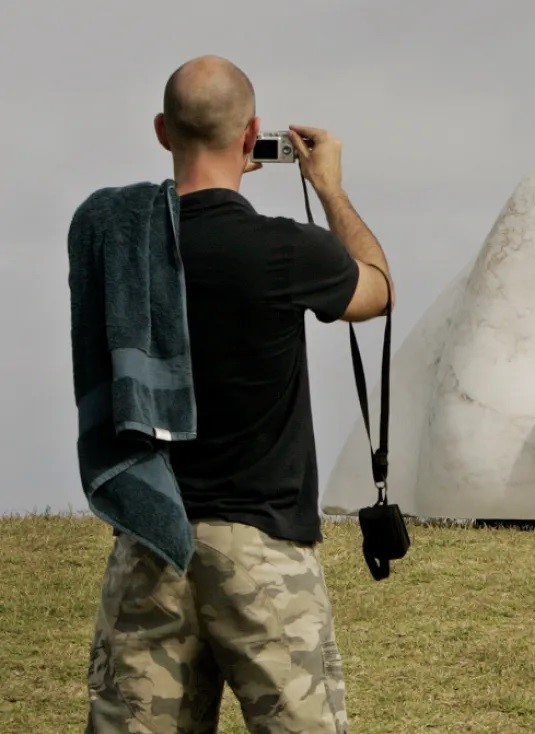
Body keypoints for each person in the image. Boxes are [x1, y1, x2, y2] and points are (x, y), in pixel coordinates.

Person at [84, 55, 392, 733]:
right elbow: (376, 291)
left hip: (149, 539)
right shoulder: (285, 250)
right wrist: (330, 189)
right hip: (262, 548)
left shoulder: (124, 247)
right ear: (251, 137)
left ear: (164, 131)